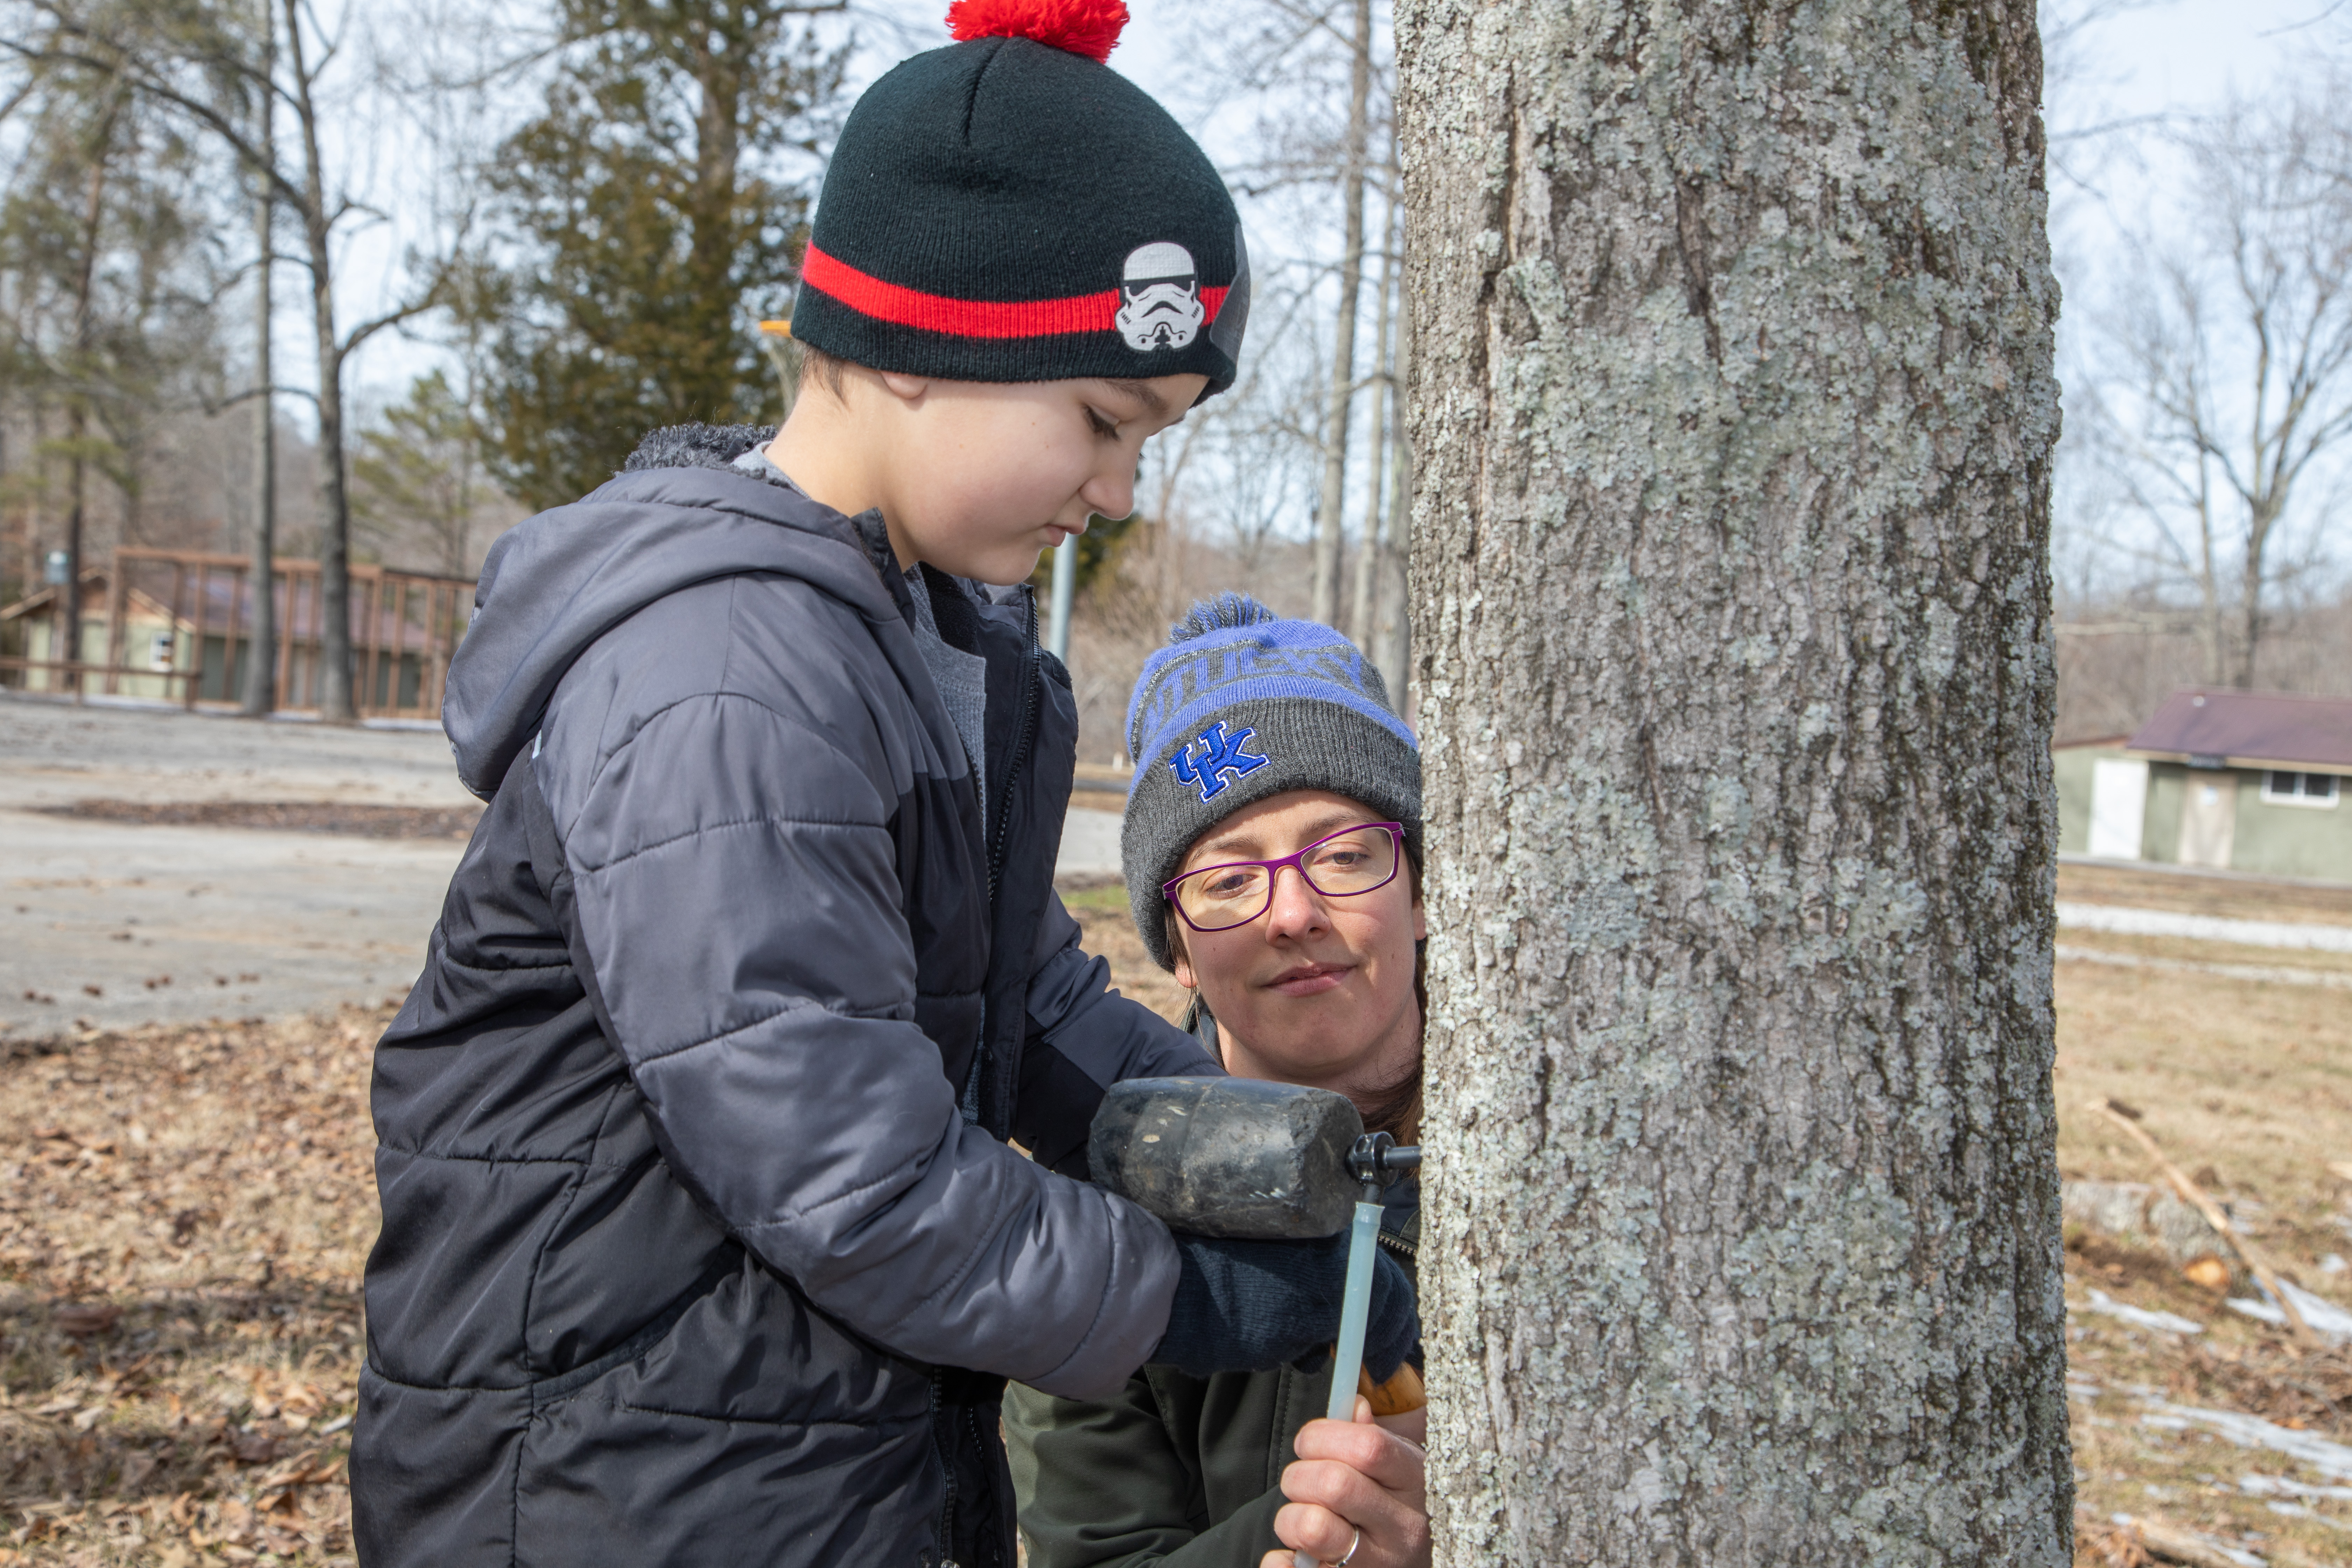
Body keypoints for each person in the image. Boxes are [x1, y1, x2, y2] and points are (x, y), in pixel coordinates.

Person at [349, 9, 1414, 1566]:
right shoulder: (722, 675)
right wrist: (1194, 1294)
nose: (1119, 492)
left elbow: (1043, 1015)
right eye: (1106, 422)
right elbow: (855, 1178)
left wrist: (1289, 1161)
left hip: (797, 1465)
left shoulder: (915, 641)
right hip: (612, 1486)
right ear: (931, 344)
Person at [1006, 595, 1433, 1568]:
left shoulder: (1566, 1147)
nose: (1293, 913)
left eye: (1344, 855)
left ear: (1421, 892)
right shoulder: (1097, 1219)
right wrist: (1325, 1537)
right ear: (1180, 951)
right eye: (1230, 879)